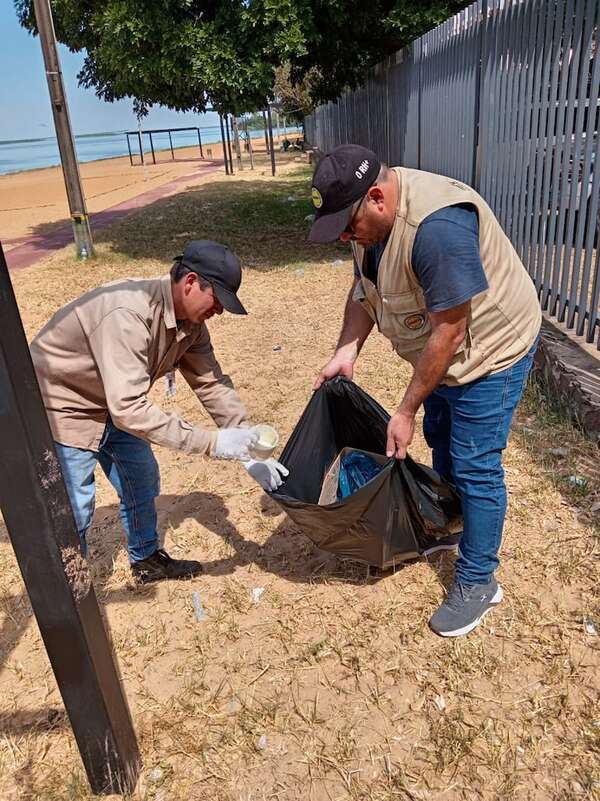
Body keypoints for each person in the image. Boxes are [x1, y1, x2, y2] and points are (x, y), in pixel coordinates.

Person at [309, 145, 541, 637]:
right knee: (443, 441)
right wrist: (346, 350)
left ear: (376, 197)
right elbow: (363, 293)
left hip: (490, 352)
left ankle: (479, 580)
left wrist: (406, 408)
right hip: (441, 355)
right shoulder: (369, 224)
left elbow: (450, 332)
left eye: (348, 227)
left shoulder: (436, 231)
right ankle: (454, 525)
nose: (347, 238)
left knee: (475, 461)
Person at [30, 240, 288, 584]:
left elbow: (210, 382)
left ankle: (146, 559)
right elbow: (129, 409)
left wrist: (246, 443)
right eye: (218, 300)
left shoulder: (192, 324)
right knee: (74, 503)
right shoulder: (129, 315)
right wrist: (212, 443)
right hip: (63, 402)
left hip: (114, 399)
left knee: (141, 477)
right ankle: (68, 592)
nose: (220, 311)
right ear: (191, 282)